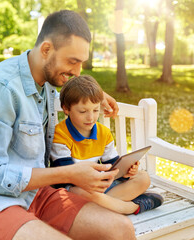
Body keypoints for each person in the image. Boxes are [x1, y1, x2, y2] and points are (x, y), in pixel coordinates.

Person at [0, 10, 136, 240]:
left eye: (81, 63)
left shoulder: (45, 83)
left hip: (35, 195)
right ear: (46, 49)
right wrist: (70, 173)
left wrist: (97, 95)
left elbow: (67, 94)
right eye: (72, 61)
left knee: (121, 230)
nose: (77, 72)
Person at [50, 75, 164, 215]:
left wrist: (126, 172)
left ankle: (97, 207)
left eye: (96, 110)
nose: (90, 117)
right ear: (66, 109)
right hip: (74, 189)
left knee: (143, 178)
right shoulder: (60, 134)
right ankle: (133, 207)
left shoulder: (103, 133)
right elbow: (66, 175)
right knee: (80, 192)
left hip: (99, 187)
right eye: (83, 111)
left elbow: (112, 167)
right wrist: (96, 182)